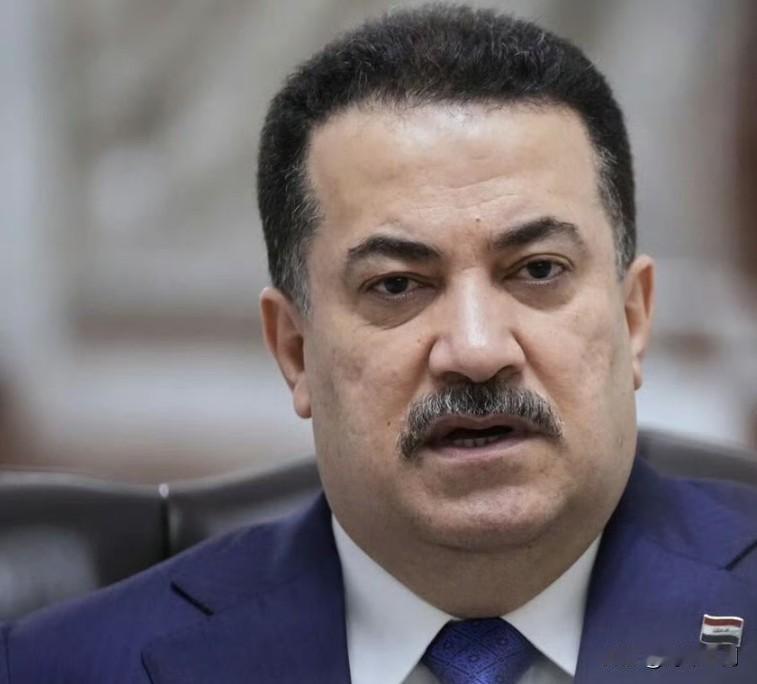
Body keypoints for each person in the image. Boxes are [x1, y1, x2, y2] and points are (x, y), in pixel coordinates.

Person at [2, 5, 757, 683]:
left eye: (536, 270)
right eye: (397, 285)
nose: (476, 350)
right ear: (294, 350)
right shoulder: (65, 668)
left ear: (633, 318)